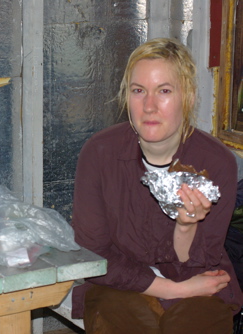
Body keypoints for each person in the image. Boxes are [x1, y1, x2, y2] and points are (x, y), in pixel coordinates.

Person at [71, 37, 243, 333]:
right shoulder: (100, 154)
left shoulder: (217, 162)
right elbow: (94, 254)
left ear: (187, 97)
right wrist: (172, 290)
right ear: (127, 97)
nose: (149, 106)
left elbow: (201, 259)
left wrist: (186, 226)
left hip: (199, 283)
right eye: (139, 91)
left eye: (164, 91)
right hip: (117, 285)